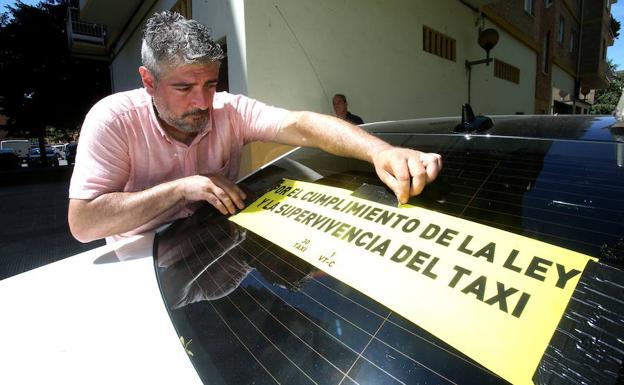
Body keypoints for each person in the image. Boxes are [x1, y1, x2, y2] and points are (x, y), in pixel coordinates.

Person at [68, 11, 442, 243]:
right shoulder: (112, 120)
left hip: (212, 245)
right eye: (183, 88)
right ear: (149, 82)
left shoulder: (231, 111)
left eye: (211, 85)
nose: (202, 102)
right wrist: (182, 188)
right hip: (137, 260)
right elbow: (83, 223)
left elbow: (303, 125)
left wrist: (381, 151)